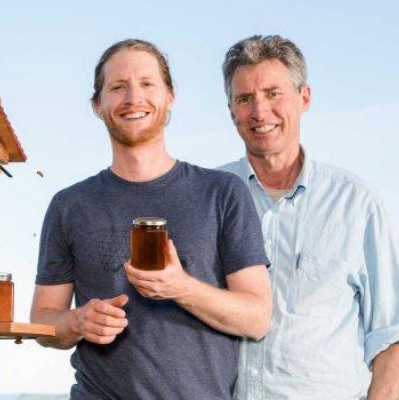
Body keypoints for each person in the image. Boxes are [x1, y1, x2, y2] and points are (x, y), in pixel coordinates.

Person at [30, 38, 272, 400]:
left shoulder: (223, 193)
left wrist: (180, 287)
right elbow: (42, 321)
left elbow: (257, 318)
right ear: (98, 105)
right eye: (117, 88)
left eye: (146, 84)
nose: (133, 98)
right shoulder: (70, 205)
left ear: (169, 95)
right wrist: (77, 321)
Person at [219, 34, 399, 399]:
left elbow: (394, 335)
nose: (259, 111)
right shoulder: (207, 197)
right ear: (232, 111)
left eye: (273, 93)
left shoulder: (356, 203)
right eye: (245, 98)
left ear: (304, 98)